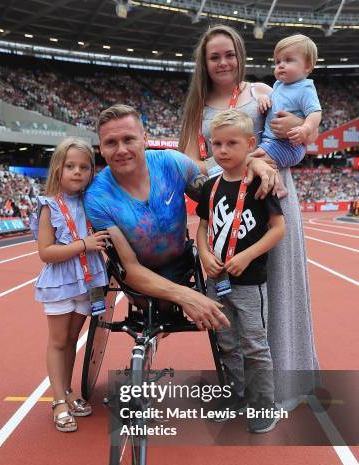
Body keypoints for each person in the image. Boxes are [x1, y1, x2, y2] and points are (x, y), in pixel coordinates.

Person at [180, 25, 319, 403]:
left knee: (278, 291)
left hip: (270, 199)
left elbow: (297, 144)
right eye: (214, 56)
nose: (223, 62)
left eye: (229, 54)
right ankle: (243, 389)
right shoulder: (198, 108)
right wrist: (242, 165)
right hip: (227, 213)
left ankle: (283, 386)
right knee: (236, 302)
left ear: (240, 57)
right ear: (204, 63)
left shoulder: (264, 92)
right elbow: (192, 169)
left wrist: (296, 130)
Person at [84, 104, 279, 332]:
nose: (121, 150)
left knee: (171, 308)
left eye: (129, 139)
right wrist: (185, 296)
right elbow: (130, 268)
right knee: (151, 305)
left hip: (180, 264)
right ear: (101, 148)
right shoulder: (97, 198)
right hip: (139, 277)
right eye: (111, 143)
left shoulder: (171, 163)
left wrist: (251, 161)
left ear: (144, 139)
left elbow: (219, 176)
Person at [197, 109, 285, 432]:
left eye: (231, 143)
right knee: (227, 343)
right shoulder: (210, 187)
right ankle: (235, 394)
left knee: (254, 344)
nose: (222, 150)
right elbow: (203, 227)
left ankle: (264, 404)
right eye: (216, 143)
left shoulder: (260, 182)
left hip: (249, 283)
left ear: (250, 144)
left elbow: (278, 229)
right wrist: (204, 253)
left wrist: (247, 256)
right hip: (216, 281)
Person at [31, 138, 108, 432]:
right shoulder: (50, 206)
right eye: (70, 166)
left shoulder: (92, 202)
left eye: (84, 167)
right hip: (61, 280)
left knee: (73, 340)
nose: (77, 172)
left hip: (89, 280)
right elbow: (46, 253)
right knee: (59, 341)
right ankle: (58, 400)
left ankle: (68, 391)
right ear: (58, 169)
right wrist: (83, 244)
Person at [255, 34, 322, 197]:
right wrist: (264, 98)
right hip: (272, 141)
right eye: (277, 62)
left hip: (288, 145)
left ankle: (279, 187)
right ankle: (278, 185)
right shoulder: (278, 85)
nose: (281, 65)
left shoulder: (304, 88)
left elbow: (315, 112)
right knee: (257, 158)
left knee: (255, 157)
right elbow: (274, 100)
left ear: (307, 66)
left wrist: (305, 128)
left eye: (288, 60)